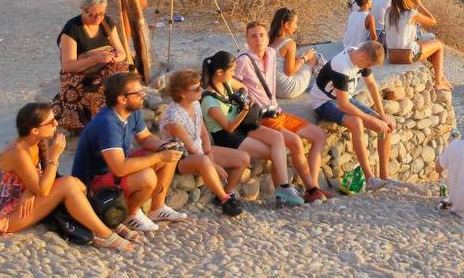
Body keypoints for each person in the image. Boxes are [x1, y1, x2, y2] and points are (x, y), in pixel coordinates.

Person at [0, 103, 135, 250]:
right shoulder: (18, 152)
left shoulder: (39, 141)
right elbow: (43, 189)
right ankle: (105, 234)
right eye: (50, 122)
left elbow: (45, 178)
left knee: (76, 184)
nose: (56, 123)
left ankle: (103, 223)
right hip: (5, 216)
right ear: (35, 130)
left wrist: (29, 190)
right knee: (68, 184)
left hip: (24, 201)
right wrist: (54, 158)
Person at [72, 72, 186, 232]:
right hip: (94, 182)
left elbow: (145, 138)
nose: (143, 95)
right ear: (122, 99)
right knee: (148, 176)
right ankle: (130, 214)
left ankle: (157, 208)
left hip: (114, 171)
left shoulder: (132, 111)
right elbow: (119, 168)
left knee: (170, 153)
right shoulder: (107, 123)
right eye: (138, 93)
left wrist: (165, 145)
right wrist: (159, 156)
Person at [236, 22, 332, 203]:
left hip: (277, 110)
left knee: (318, 135)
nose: (258, 39)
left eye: (262, 35)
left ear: (267, 37)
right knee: (295, 141)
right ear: (247, 39)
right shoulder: (243, 61)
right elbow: (231, 84)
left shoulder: (272, 54)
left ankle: (312, 187)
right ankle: (310, 189)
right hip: (261, 116)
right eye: (253, 36)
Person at [200, 50, 305, 207]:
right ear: (220, 72)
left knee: (278, 139)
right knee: (274, 152)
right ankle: (282, 192)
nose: (234, 74)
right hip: (228, 135)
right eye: (232, 71)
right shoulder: (209, 100)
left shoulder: (226, 82)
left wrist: (241, 95)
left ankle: (284, 189)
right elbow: (228, 127)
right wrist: (244, 110)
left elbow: (243, 87)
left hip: (241, 125)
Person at [158, 69, 247, 217]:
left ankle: (227, 192)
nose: (201, 90)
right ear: (182, 93)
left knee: (243, 158)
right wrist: (214, 165)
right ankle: (226, 201)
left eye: (200, 86)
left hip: (199, 151)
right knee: (205, 161)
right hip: (179, 157)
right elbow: (190, 148)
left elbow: (203, 132)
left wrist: (209, 153)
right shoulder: (173, 116)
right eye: (196, 89)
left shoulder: (195, 104)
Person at [310, 42, 394, 191]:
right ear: (363, 56)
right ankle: (370, 179)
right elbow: (344, 106)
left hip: (341, 98)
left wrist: (381, 115)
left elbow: (372, 85)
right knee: (356, 123)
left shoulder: (362, 56)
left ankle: (384, 176)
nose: (368, 67)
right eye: (368, 64)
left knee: (387, 125)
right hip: (323, 101)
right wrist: (371, 119)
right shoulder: (341, 67)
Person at [51, 0, 130, 132]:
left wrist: (114, 57)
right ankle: (104, 127)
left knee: (125, 80)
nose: (98, 18)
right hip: (80, 74)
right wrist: (96, 58)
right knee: (102, 92)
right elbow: (68, 66)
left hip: (104, 67)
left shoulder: (107, 23)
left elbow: (123, 52)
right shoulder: (72, 29)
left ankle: (123, 120)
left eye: (101, 13)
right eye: (93, 14)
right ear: (83, 10)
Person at [385, 0, 450, 91]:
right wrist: (419, 4)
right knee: (438, 45)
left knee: (427, 44)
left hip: (391, 56)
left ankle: (442, 77)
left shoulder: (388, 13)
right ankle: (438, 83)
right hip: (406, 56)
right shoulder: (412, 14)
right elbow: (433, 21)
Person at [268, 7, 320, 99]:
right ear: (287, 25)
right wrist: (305, 58)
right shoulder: (289, 43)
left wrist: (300, 58)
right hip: (287, 89)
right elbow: (289, 72)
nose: (296, 26)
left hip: (272, 88)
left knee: (300, 57)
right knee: (314, 59)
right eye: (295, 23)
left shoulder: (268, 40)